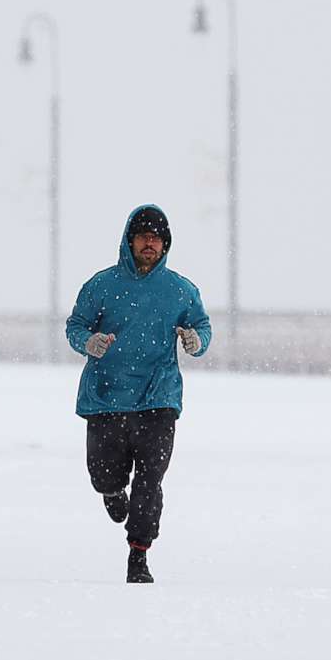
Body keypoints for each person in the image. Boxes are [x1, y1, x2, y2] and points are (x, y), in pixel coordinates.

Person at [65, 204, 212, 584]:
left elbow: (201, 326)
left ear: (166, 244)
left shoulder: (180, 290)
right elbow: (76, 326)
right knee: (103, 475)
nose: (150, 242)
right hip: (106, 398)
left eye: (157, 237)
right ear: (129, 241)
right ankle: (112, 492)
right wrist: (88, 341)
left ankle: (139, 556)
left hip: (157, 399)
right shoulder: (101, 285)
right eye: (143, 236)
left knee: (150, 481)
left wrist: (196, 341)